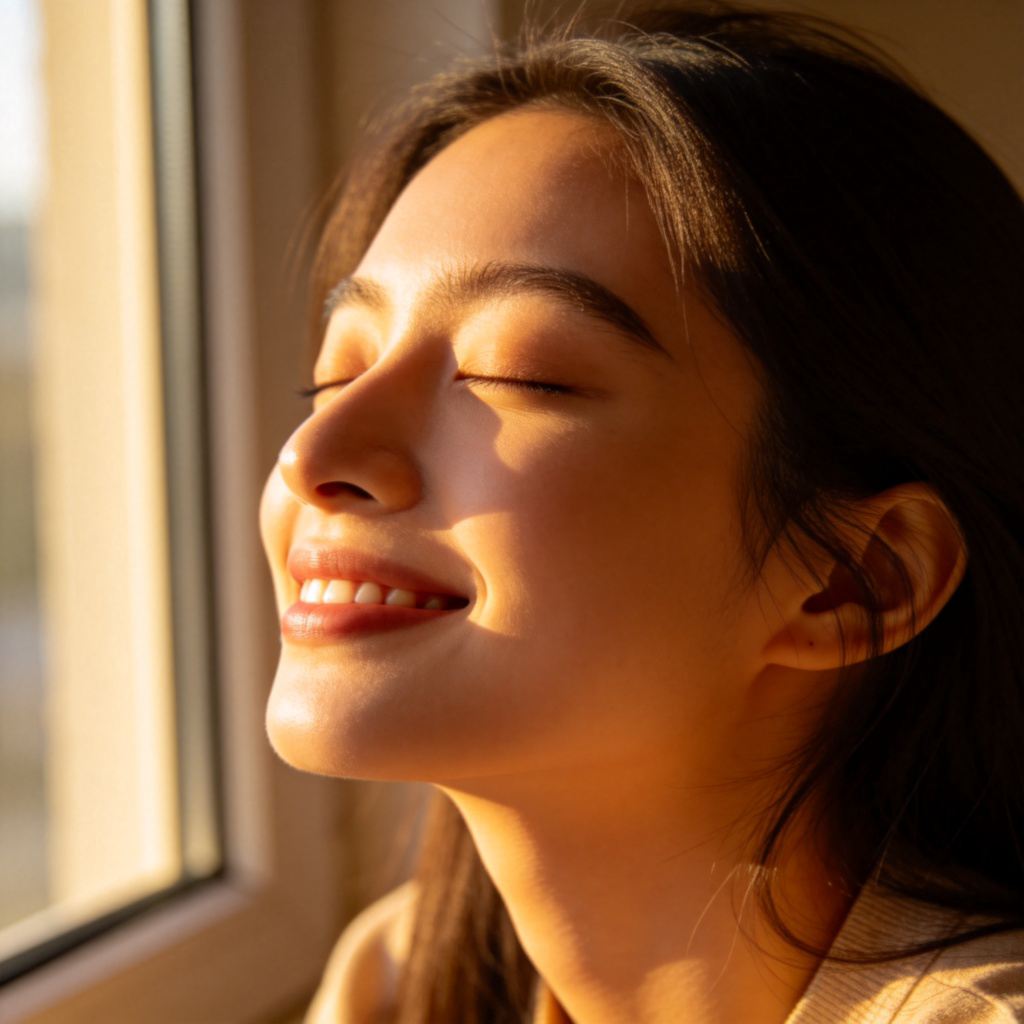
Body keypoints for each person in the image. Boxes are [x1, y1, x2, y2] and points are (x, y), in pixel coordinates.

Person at [259, 4, 1024, 1022]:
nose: (315, 454)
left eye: (513, 372)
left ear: (854, 577)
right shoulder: (404, 984)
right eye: (336, 370)